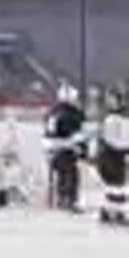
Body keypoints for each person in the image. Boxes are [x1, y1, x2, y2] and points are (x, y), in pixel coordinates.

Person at [43, 83, 87, 211]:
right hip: (63, 150)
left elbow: (49, 133)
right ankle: (69, 198)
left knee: (63, 171)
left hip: (51, 150)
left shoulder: (52, 112)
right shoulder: (71, 114)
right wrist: (82, 150)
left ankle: (62, 196)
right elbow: (76, 135)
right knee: (71, 172)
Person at [95, 85, 129, 226]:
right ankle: (112, 211)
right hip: (111, 154)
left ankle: (110, 210)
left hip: (115, 154)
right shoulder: (111, 118)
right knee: (114, 184)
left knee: (117, 185)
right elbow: (112, 140)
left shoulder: (119, 118)